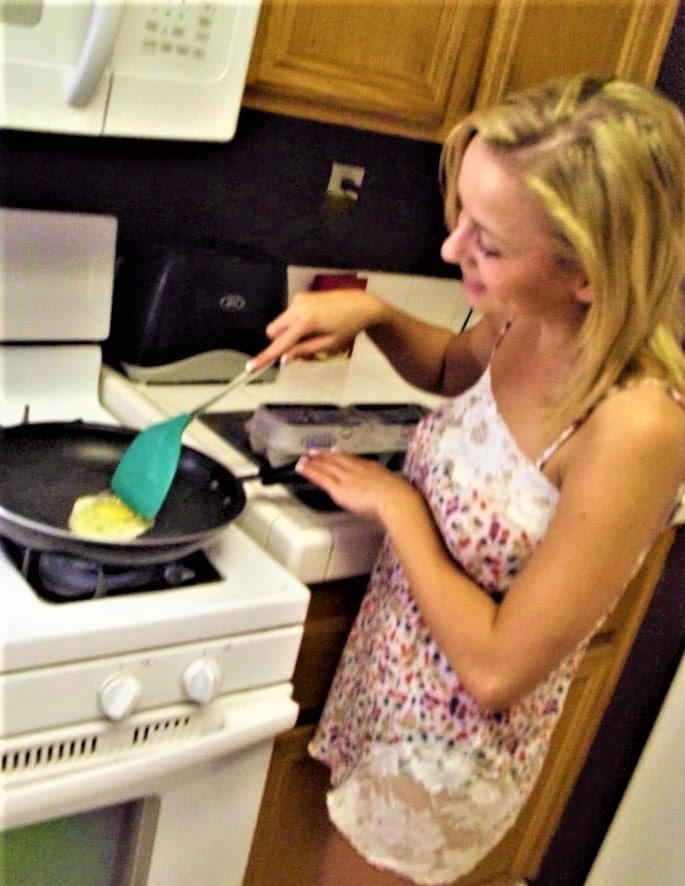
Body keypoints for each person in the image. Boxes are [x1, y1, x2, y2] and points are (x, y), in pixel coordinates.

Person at [247, 76, 685, 885]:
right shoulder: (529, 312)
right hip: (387, 684)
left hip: (446, 755)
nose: (452, 252)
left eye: (487, 241)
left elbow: (495, 671)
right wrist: (376, 317)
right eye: (461, 218)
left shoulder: (636, 428)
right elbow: (455, 367)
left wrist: (397, 506)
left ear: (588, 272)